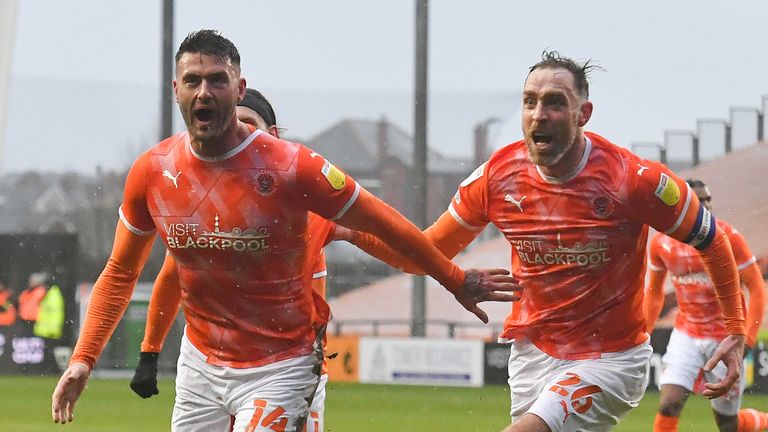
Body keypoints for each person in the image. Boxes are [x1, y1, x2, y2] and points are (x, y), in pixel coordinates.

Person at [50, 29, 518, 431]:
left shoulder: (295, 169)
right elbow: (119, 273)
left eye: (217, 80)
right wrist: (83, 358)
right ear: (176, 89)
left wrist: (454, 278)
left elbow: (386, 226)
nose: (204, 92)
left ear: (239, 87)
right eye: (193, 81)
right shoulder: (151, 172)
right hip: (199, 363)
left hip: (280, 364)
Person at [337, 51, 747, 431]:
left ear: (583, 113)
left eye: (554, 102)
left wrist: (734, 328)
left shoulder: (633, 180)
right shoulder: (497, 178)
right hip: (533, 353)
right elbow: (421, 254)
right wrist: (348, 231)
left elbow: (711, 239)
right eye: (529, 101)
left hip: (610, 358)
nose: (539, 114)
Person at [130, 88, 336, 432]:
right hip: (212, 371)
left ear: (272, 136)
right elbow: (171, 277)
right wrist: (150, 351)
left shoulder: (305, 199)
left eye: (247, 125)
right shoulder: (209, 210)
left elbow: (377, 233)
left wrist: (439, 267)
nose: (237, 134)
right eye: (233, 124)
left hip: (284, 371)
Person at [644, 178, 768, 432]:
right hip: (686, 334)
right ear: (681, 206)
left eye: (708, 200)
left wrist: (748, 340)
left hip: (726, 338)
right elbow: (655, 293)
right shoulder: (662, 243)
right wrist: (643, 334)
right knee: (668, 404)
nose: (707, 206)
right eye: (699, 201)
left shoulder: (728, 238)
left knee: (728, 425)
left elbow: (756, 288)